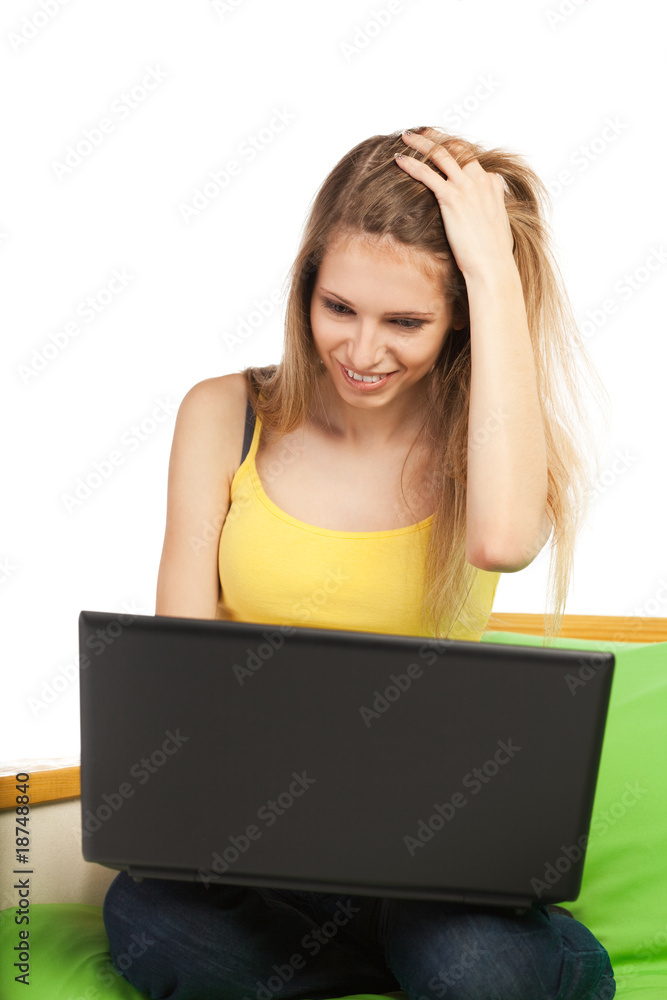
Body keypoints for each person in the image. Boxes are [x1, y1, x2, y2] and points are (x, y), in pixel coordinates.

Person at [103, 126, 615, 999]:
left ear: (459, 315)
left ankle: (454, 962)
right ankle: (368, 967)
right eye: (338, 307)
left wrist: (493, 272)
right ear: (305, 285)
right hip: (258, 845)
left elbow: (503, 542)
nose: (362, 352)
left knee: (473, 966)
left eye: (406, 321)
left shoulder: (487, 443)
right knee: (151, 921)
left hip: (437, 859)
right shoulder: (222, 414)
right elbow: (179, 668)